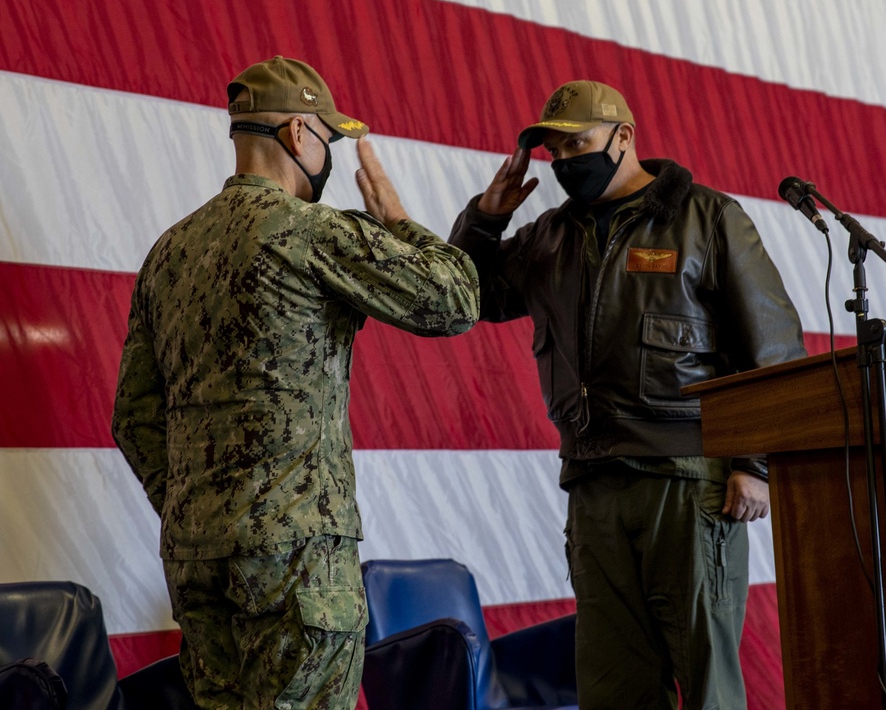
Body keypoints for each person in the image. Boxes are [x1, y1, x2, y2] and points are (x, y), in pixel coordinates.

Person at [112, 55, 479, 709]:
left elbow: (133, 419)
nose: (329, 152)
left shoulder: (168, 253)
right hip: (299, 564)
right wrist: (398, 220)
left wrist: (197, 508)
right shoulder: (311, 232)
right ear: (299, 134)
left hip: (198, 560)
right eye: (328, 138)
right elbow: (455, 299)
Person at [449, 80, 805, 710]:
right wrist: (487, 217)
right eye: (554, 152)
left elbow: (772, 348)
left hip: (690, 484)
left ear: (624, 137)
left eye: (577, 144)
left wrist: (757, 465)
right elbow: (464, 297)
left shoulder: (707, 218)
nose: (564, 163)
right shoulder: (550, 237)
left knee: (707, 684)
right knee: (613, 688)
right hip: (593, 482)